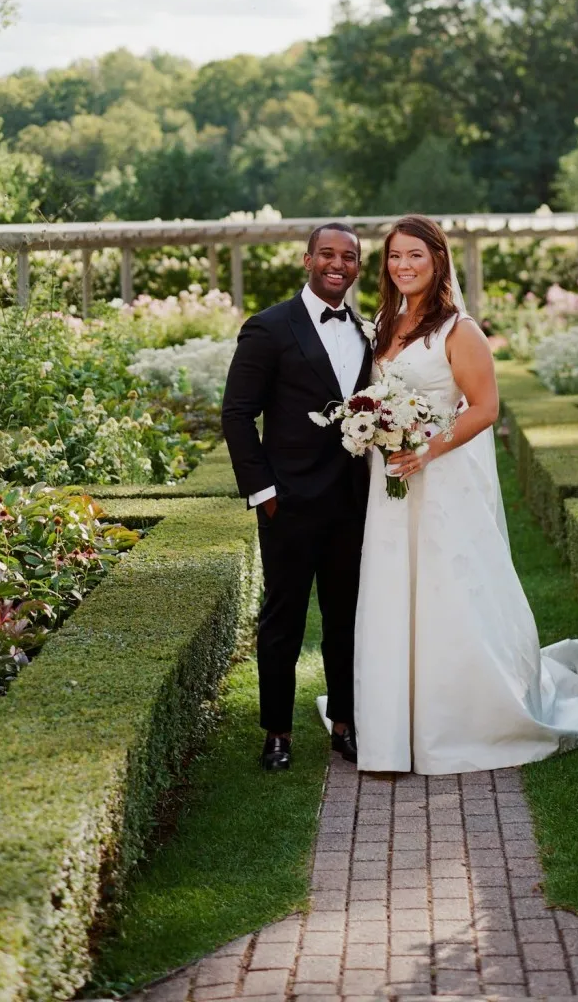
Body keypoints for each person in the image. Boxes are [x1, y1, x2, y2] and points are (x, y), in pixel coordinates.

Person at [346, 214, 578, 774]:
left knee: (448, 587)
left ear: (437, 259)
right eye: (394, 256)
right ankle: (391, 724)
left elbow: (484, 408)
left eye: (415, 255)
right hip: (389, 479)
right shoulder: (384, 324)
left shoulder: (459, 330)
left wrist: (428, 449)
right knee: (394, 588)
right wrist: (371, 427)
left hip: (439, 480)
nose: (403, 265)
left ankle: (457, 719)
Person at [221, 223, 372, 772]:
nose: (338, 264)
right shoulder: (268, 327)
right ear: (307, 260)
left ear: (357, 267)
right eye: (328, 254)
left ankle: (347, 725)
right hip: (287, 503)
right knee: (282, 619)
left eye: (349, 257)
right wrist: (264, 493)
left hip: (353, 504)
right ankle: (277, 733)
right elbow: (237, 414)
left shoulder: (366, 331)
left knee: (347, 617)